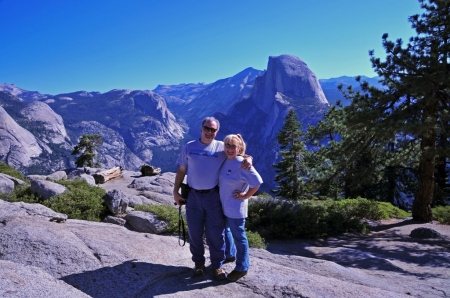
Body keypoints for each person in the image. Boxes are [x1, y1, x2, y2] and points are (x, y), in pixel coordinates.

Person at [173, 117, 252, 280]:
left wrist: (248, 158)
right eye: (207, 128)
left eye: (213, 130)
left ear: (217, 132)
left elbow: (237, 152)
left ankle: (217, 265)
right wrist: (176, 191)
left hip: (213, 197)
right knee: (195, 233)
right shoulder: (189, 147)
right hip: (193, 197)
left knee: (216, 234)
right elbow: (181, 170)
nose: (209, 132)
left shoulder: (221, 148)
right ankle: (199, 264)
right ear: (201, 128)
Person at [219, 134, 263, 282]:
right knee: (226, 230)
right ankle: (230, 254)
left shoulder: (241, 164)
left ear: (239, 148)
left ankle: (242, 267)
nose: (229, 149)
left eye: (233, 146)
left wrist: (245, 196)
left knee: (239, 236)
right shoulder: (227, 159)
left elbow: (256, 183)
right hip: (224, 206)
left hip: (236, 208)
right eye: (227, 145)